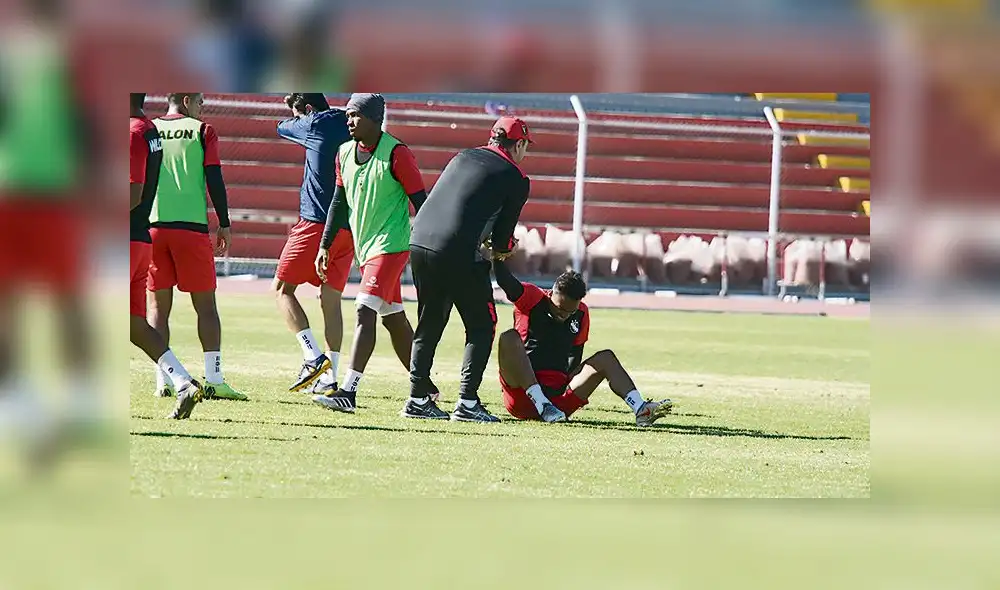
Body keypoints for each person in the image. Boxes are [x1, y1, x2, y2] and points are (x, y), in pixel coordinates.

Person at [313, 93, 435, 414]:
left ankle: (348, 392)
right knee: (393, 319)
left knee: (363, 309)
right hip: (366, 250)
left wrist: (434, 243)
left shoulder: (398, 154)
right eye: (348, 116)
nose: (349, 121)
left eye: (355, 116)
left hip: (391, 247)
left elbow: (422, 203)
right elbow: (338, 202)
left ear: (374, 119)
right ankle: (424, 388)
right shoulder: (343, 153)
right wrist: (325, 245)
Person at [406, 116, 533, 423]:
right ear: (518, 145)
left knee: (430, 320)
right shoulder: (515, 176)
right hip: (457, 248)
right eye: (525, 147)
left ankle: (417, 398)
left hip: (419, 240)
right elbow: (502, 239)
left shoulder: (462, 155)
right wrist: (506, 248)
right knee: (482, 324)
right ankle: (467, 401)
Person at [148, 93, 246, 401]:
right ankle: (214, 379)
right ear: (187, 100)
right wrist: (225, 222)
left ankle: (163, 379)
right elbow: (214, 177)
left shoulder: (146, 129)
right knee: (206, 308)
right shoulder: (203, 130)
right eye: (200, 101)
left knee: (157, 310)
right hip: (190, 229)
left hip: (152, 227)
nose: (202, 107)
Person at [492, 260, 675, 426]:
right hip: (522, 396)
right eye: (560, 309)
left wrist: (569, 387)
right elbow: (506, 282)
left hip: (558, 401)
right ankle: (541, 403)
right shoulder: (532, 298)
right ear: (552, 294)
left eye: (569, 312)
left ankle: (641, 408)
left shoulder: (581, 313)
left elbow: (575, 357)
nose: (563, 316)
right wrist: (497, 256)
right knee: (509, 337)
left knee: (606, 357)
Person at [130, 93, 205, 419]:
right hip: (139, 239)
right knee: (132, 324)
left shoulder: (133, 131)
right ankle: (183, 381)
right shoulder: (148, 130)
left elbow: (132, 191)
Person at [274, 93, 354, 394]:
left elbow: (281, 127)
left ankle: (312, 356)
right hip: (347, 227)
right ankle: (330, 376)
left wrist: (296, 119)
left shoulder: (313, 123)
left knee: (282, 291)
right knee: (330, 301)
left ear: (307, 109)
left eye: (299, 113)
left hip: (316, 223)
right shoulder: (350, 122)